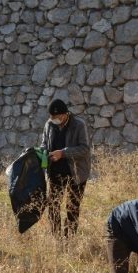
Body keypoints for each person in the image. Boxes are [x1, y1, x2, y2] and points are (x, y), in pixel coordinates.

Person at [39, 98, 91, 237]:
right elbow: (44, 143)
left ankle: (69, 239)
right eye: (51, 117)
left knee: (72, 208)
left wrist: (63, 153)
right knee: (53, 206)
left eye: (56, 117)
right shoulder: (49, 124)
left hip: (76, 172)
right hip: (55, 172)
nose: (53, 119)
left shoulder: (79, 125)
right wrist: (43, 152)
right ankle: (56, 237)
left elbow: (84, 148)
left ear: (64, 114)